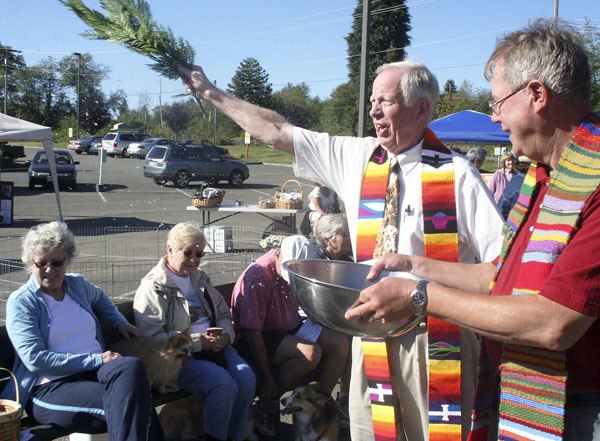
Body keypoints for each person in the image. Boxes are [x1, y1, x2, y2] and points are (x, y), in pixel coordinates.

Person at [179, 58, 503, 441]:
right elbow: (276, 130)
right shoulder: (358, 158)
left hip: (435, 342)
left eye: (387, 100)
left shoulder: (457, 175)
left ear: (422, 109)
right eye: (372, 99)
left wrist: (422, 279)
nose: (373, 109)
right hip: (370, 337)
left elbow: (499, 271)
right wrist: (210, 91)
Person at [345, 18, 600, 441]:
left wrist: (417, 296)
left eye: (499, 102)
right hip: (525, 389)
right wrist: (412, 264)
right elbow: (497, 275)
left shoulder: (591, 183)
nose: (495, 116)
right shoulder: (548, 178)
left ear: (536, 95)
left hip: (578, 411)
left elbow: (553, 323)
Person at [0, 221, 163, 441]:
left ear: (67, 260)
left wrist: (119, 322)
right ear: (31, 263)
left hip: (95, 373)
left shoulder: (76, 285)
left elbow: (101, 299)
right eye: (41, 264)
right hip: (51, 386)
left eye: (57, 262)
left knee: (131, 367)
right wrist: (96, 360)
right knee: (136, 407)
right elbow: (35, 360)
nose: (49, 270)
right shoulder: (22, 302)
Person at [133, 223, 255, 441]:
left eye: (199, 253)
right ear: (170, 249)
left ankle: (234, 436)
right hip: (178, 359)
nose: (194, 259)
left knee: (246, 377)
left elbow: (224, 315)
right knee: (221, 384)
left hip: (215, 348)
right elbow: (152, 340)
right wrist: (199, 343)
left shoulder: (200, 279)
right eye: (187, 252)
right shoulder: (154, 287)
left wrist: (226, 336)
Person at [230, 234, 349, 437]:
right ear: (277, 254)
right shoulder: (258, 277)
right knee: (310, 353)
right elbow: (252, 332)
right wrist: (267, 379)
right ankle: (269, 404)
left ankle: (319, 407)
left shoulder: (293, 264)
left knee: (340, 342)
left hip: (287, 325)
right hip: (260, 334)